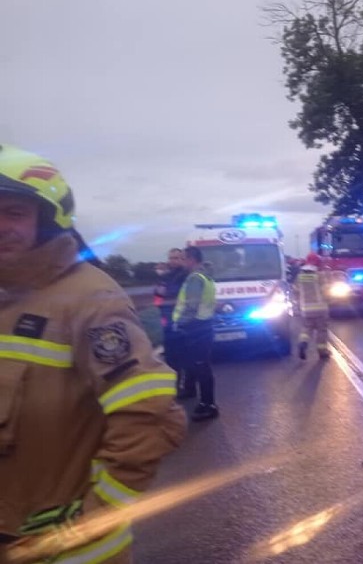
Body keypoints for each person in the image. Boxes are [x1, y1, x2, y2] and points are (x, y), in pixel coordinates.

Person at [0, 144, 186, 563]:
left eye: (14, 213)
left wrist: (91, 519)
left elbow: (150, 417)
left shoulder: (89, 299)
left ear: (47, 221)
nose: (0, 225)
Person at [172, 246, 218, 421]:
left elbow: (191, 306)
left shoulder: (195, 278)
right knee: (198, 364)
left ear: (191, 259)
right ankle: (196, 394)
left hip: (195, 327)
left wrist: (180, 323)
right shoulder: (206, 276)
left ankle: (209, 405)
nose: (182, 262)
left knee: (202, 367)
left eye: (183, 258)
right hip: (204, 325)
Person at [153, 248, 189, 395]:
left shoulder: (186, 276)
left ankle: (186, 386)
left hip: (182, 322)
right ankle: (175, 386)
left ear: (183, 259)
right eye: (171, 258)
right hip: (167, 321)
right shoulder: (166, 277)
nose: (173, 261)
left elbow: (178, 297)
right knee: (171, 357)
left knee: (184, 356)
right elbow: (158, 295)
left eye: (176, 258)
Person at [292, 252, 330, 360]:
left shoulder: (299, 277)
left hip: (305, 309)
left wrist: (297, 305)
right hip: (320, 309)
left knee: (306, 329)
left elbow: (295, 291)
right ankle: (322, 351)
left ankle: (303, 343)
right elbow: (326, 291)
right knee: (321, 330)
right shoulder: (319, 275)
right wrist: (330, 299)